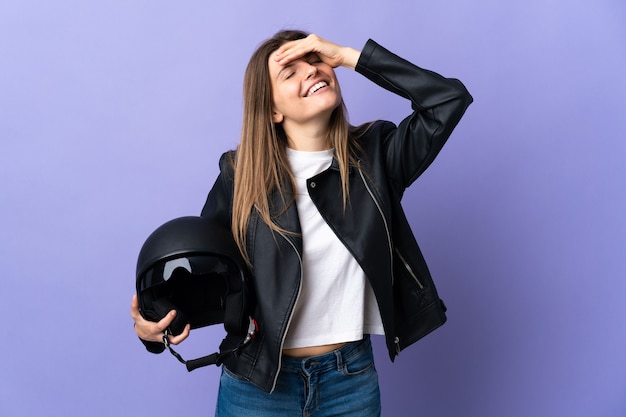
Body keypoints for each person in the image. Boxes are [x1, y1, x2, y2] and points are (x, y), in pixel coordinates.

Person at [131, 29, 472, 416]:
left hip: (350, 381)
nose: (311, 71)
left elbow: (448, 99)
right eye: (289, 73)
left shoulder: (378, 156)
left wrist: (348, 56)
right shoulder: (240, 175)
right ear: (273, 111)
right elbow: (204, 275)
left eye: (315, 61)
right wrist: (152, 333)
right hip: (257, 386)